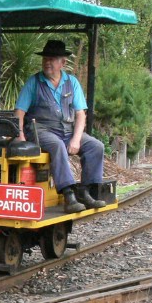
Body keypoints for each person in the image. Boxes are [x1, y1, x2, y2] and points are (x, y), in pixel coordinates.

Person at [13, 39, 106, 213]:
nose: (47, 62)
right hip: (41, 130)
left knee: (96, 146)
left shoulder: (72, 82)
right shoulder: (34, 82)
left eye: (52, 59)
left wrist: (76, 139)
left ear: (62, 62)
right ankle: (68, 194)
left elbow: (80, 114)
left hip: (68, 130)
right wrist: (20, 137)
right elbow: (20, 112)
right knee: (56, 145)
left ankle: (84, 192)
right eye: (45, 59)